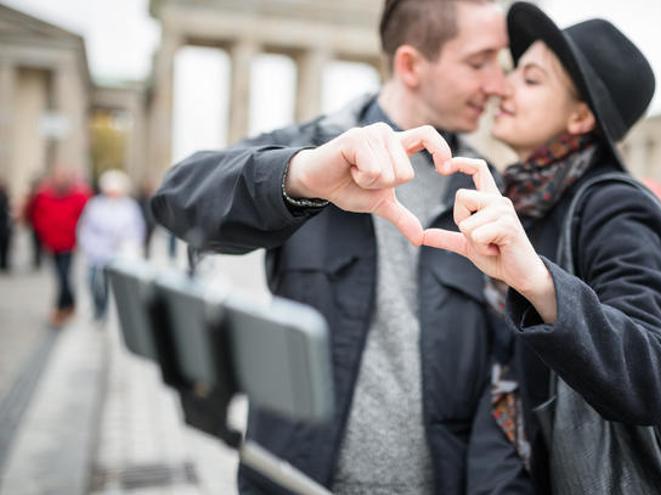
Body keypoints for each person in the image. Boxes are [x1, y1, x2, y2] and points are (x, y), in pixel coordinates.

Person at [151, 0, 533, 493]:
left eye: (501, 66)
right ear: (411, 65)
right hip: (295, 480)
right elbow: (175, 198)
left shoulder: (490, 191)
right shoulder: (310, 150)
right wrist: (302, 176)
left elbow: (503, 383)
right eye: (479, 62)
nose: (499, 85)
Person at [422, 4, 661, 491]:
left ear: (581, 115)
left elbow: (655, 377)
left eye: (532, 79)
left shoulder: (614, 207)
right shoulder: (527, 197)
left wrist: (539, 284)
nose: (502, 87)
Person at [77, 170, 145, 321]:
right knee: (94, 283)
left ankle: (111, 312)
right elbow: (86, 228)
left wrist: (130, 247)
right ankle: (99, 308)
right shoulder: (95, 205)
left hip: (120, 253)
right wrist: (90, 247)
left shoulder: (130, 206)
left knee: (114, 286)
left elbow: (136, 229)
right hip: (97, 252)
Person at [31, 165, 91, 327]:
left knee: (63, 275)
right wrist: (42, 233)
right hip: (52, 242)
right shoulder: (43, 196)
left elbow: (86, 219)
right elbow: (36, 215)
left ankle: (59, 309)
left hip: (69, 243)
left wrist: (82, 239)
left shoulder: (79, 196)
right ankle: (70, 303)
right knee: (60, 275)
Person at [0, 180, 10, 273]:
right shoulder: (4, 196)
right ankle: (4, 263)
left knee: (4, 245)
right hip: (3, 225)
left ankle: (4, 263)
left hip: (3, 225)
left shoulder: (4, 196)